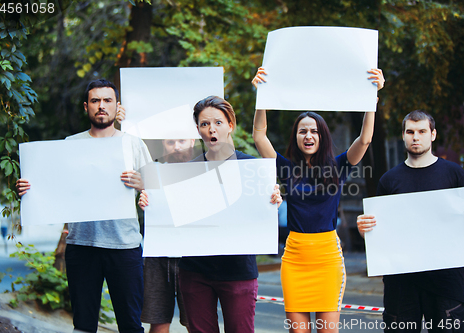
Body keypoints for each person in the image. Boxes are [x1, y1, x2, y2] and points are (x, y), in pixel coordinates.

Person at [252, 67, 385, 333]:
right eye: (302, 131)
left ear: (322, 136)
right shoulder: (287, 168)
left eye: (314, 131)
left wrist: (372, 98)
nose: (308, 136)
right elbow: (259, 136)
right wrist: (262, 98)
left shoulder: (339, 166)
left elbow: (365, 139)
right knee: (298, 331)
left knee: (327, 331)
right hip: (294, 258)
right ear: (296, 137)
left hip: (327, 259)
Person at [16, 79, 151, 333]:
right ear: (86, 107)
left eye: (107, 100)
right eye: (95, 101)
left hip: (124, 245)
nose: (101, 106)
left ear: (116, 106)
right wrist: (28, 188)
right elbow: (52, 187)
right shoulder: (70, 143)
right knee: (83, 325)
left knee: (131, 325)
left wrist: (143, 185)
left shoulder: (132, 144)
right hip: (81, 245)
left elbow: (154, 191)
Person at [138, 95, 282, 333]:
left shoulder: (253, 168)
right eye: (204, 124)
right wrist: (150, 203)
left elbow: (262, 212)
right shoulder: (185, 172)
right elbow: (170, 216)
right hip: (195, 273)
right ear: (198, 130)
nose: (211, 129)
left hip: (238, 272)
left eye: (217, 122)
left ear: (230, 125)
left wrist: (273, 200)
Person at [357, 110, 464, 333]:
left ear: (433, 135)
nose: (415, 137)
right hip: (401, 285)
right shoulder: (389, 180)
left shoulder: (454, 174)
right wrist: (364, 229)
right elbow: (378, 234)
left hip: (446, 283)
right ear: (403, 135)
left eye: (421, 131)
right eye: (410, 132)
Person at [141, 138, 195, 333]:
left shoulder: (206, 169)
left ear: (192, 140)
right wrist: (143, 197)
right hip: (158, 255)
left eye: (181, 141)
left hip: (194, 257)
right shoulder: (151, 172)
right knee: (158, 321)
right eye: (170, 142)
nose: (176, 146)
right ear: (163, 144)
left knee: (196, 322)